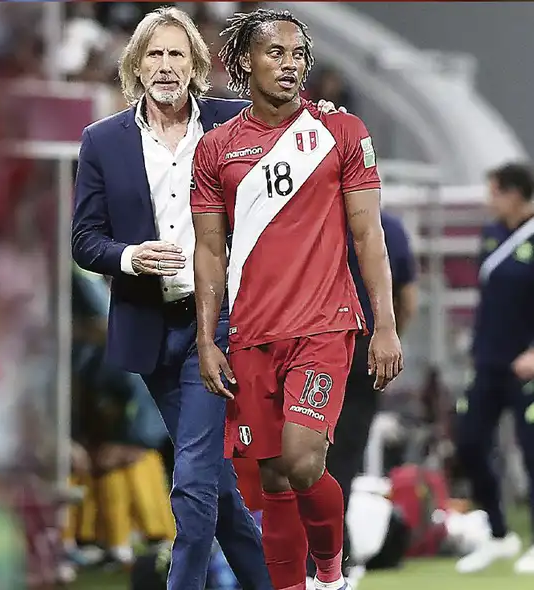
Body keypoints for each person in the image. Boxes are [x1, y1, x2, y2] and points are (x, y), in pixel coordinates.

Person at [190, 9, 403, 590]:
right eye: (276, 53)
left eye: (298, 54)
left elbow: (369, 235)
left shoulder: (341, 131)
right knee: (273, 481)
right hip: (251, 333)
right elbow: (208, 250)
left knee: (303, 461)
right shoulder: (215, 150)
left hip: (324, 325)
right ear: (244, 61)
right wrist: (207, 339)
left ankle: (330, 575)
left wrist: (385, 325)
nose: (290, 65)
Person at [70, 7, 270, 589]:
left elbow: (292, 141)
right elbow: (85, 239)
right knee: (215, 487)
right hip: (153, 328)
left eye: (176, 54)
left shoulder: (234, 124)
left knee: (193, 481)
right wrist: (131, 256)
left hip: (220, 324)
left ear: (195, 65)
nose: (165, 65)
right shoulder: (102, 140)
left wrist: (328, 117)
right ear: (136, 65)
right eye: (154, 54)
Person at [307, 211, 417, 585]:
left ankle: (324, 558)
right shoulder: (388, 227)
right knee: (342, 461)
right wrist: (388, 338)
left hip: (315, 349)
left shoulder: (313, 219)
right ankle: (334, 558)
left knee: (309, 459)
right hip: (359, 350)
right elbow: (407, 298)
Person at [454, 162, 534, 575]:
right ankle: (499, 533)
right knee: (468, 441)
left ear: (515, 194)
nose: (489, 202)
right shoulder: (490, 235)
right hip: (488, 361)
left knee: (531, 449)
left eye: (495, 193)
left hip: (527, 365)